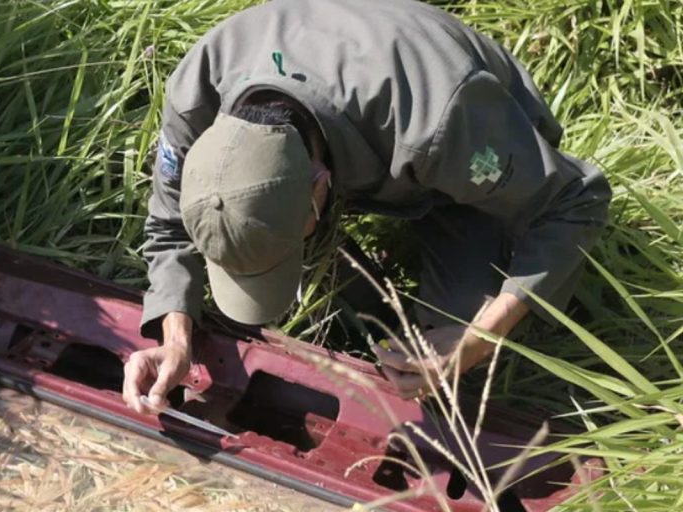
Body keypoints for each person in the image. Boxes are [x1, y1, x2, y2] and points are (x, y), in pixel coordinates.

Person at [121, 0, 611, 413]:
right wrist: (176, 335)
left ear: (321, 188)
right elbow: (168, 222)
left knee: (448, 377)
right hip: (349, 126)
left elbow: (576, 199)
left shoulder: (438, 123)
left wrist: (478, 337)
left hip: (471, 146)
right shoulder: (199, 92)